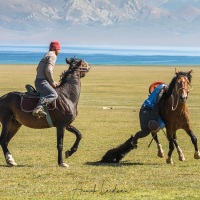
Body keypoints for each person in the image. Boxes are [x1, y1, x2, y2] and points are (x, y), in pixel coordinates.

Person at [132, 76, 177, 146]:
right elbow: (157, 101)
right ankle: (134, 140)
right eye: (157, 130)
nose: (157, 131)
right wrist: (161, 92)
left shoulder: (165, 87)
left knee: (162, 123)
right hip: (145, 110)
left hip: (151, 106)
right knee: (145, 132)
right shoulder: (155, 112)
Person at [32, 40, 60, 118]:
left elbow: (38, 68)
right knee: (53, 94)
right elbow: (48, 70)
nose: (59, 51)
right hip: (42, 82)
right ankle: (38, 108)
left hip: (39, 81)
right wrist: (52, 81)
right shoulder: (52, 56)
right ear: (56, 49)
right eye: (59, 49)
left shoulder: (47, 55)